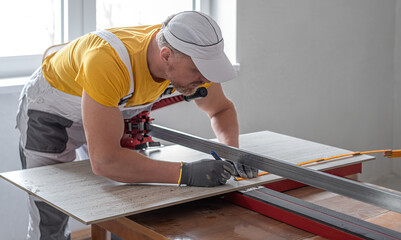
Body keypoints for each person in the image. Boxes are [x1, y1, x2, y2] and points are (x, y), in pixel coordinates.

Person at [16, 11, 258, 240]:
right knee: (49, 212)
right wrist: (187, 173)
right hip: (51, 116)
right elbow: (105, 161)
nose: (205, 79)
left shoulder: (186, 55)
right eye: (198, 71)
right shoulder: (108, 61)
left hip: (108, 111)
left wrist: (230, 152)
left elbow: (220, 109)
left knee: (126, 198)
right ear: (166, 56)